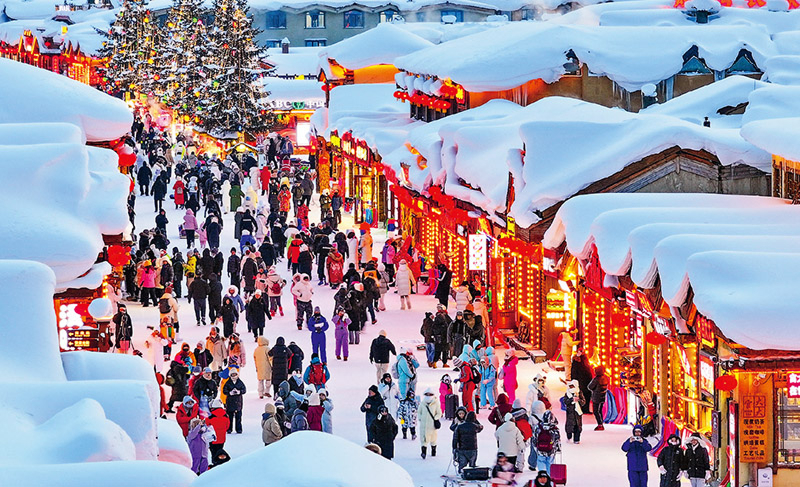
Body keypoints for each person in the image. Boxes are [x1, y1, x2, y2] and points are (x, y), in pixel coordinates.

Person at [531, 409, 561, 474]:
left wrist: (536, 448)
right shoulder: (554, 429)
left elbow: (534, 439)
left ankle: (542, 476)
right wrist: (558, 449)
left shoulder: (538, 427)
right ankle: (548, 478)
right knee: (550, 463)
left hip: (540, 450)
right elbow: (557, 440)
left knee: (541, 462)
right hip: (551, 451)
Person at [418, 387, 442, 459]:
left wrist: (435, 418)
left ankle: (433, 451)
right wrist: (421, 418)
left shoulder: (436, 403)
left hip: (432, 425)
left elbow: (439, 413)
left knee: (433, 439)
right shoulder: (422, 403)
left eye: (430, 394)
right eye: (427, 394)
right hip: (424, 425)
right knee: (423, 439)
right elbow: (419, 412)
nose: (428, 396)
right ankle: (423, 452)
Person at [222, 368, 246, 434]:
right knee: (230, 417)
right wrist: (230, 392)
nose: (234, 376)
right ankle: (229, 429)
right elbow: (224, 390)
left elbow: (244, 390)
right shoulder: (228, 383)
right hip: (230, 402)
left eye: (235, 374)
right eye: (232, 375)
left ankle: (239, 429)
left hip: (238, 402)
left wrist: (239, 392)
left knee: (238, 417)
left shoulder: (240, 382)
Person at [563, 380, 585, 444]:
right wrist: (571, 400)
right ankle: (569, 436)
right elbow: (565, 401)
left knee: (578, 426)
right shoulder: (567, 393)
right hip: (570, 412)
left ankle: (576, 439)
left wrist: (579, 400)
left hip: (577, 413)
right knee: (569, 425)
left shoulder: (579, 392)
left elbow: (583, 401)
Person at [588, 365, 610, 430]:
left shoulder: (596, 379)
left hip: (596, 396)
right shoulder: (605, 378)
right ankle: (601, 423)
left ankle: (600, 424)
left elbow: (590, 387)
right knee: (600, 410)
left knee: (596, 411)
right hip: (602, 396)